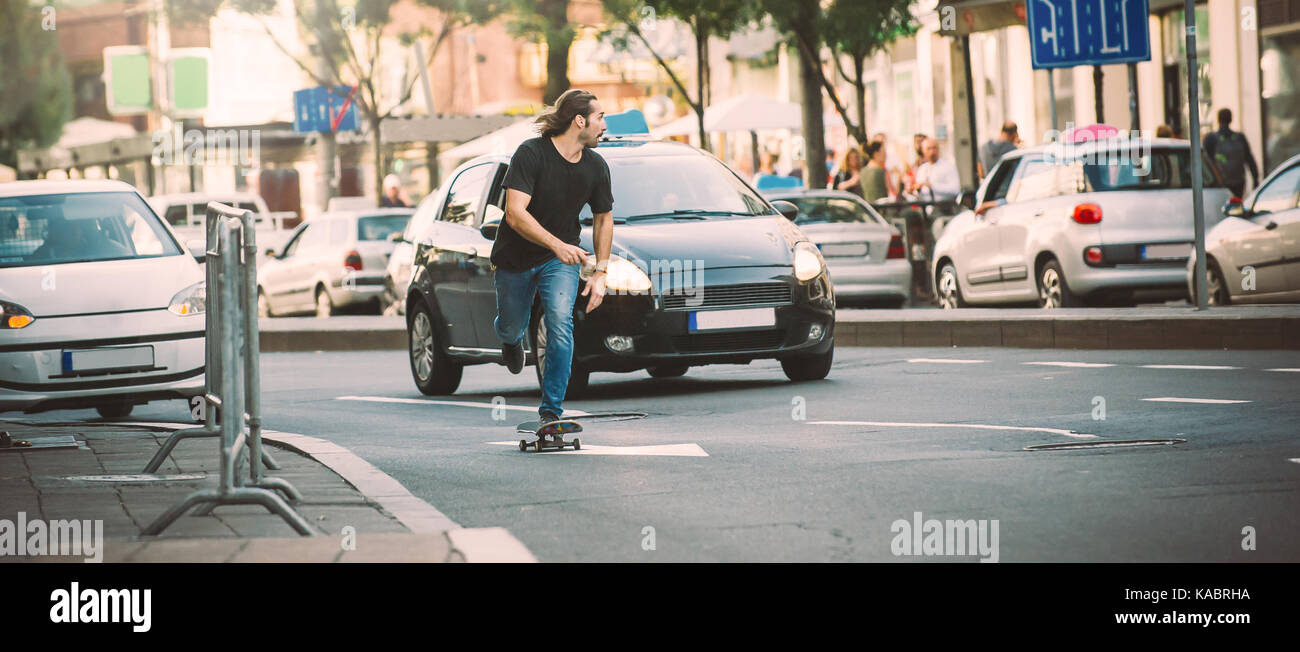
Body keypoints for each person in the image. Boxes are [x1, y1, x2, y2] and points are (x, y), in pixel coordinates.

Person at [492, 89, 614, 428]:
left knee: (561, 326)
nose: (604, 124)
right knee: (512, 323)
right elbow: (515, 214)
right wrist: (556, 244)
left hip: (560, 262)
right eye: (600, 117)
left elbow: (604, 218)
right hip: (515, 258)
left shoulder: (595, 166)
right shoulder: (531, 154)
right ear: (580, 121)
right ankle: (510, 339)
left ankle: (551, 412)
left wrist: (601, 271)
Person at [1203, 108, 1260, 198]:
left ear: (1218, 120)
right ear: (1231, 119)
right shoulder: (1240, 137)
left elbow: (1205, 162)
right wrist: (1255, 179)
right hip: (1238, 182)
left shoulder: (1210, 138)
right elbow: (1249, 159)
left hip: (1220, 183)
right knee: (1236, 206)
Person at [873, 132, 903, 198]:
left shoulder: (894, 157)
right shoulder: (871, 161)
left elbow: (900, 174)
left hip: (893, 194)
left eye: (883, 140)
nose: (881, 143)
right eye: (878, 141)